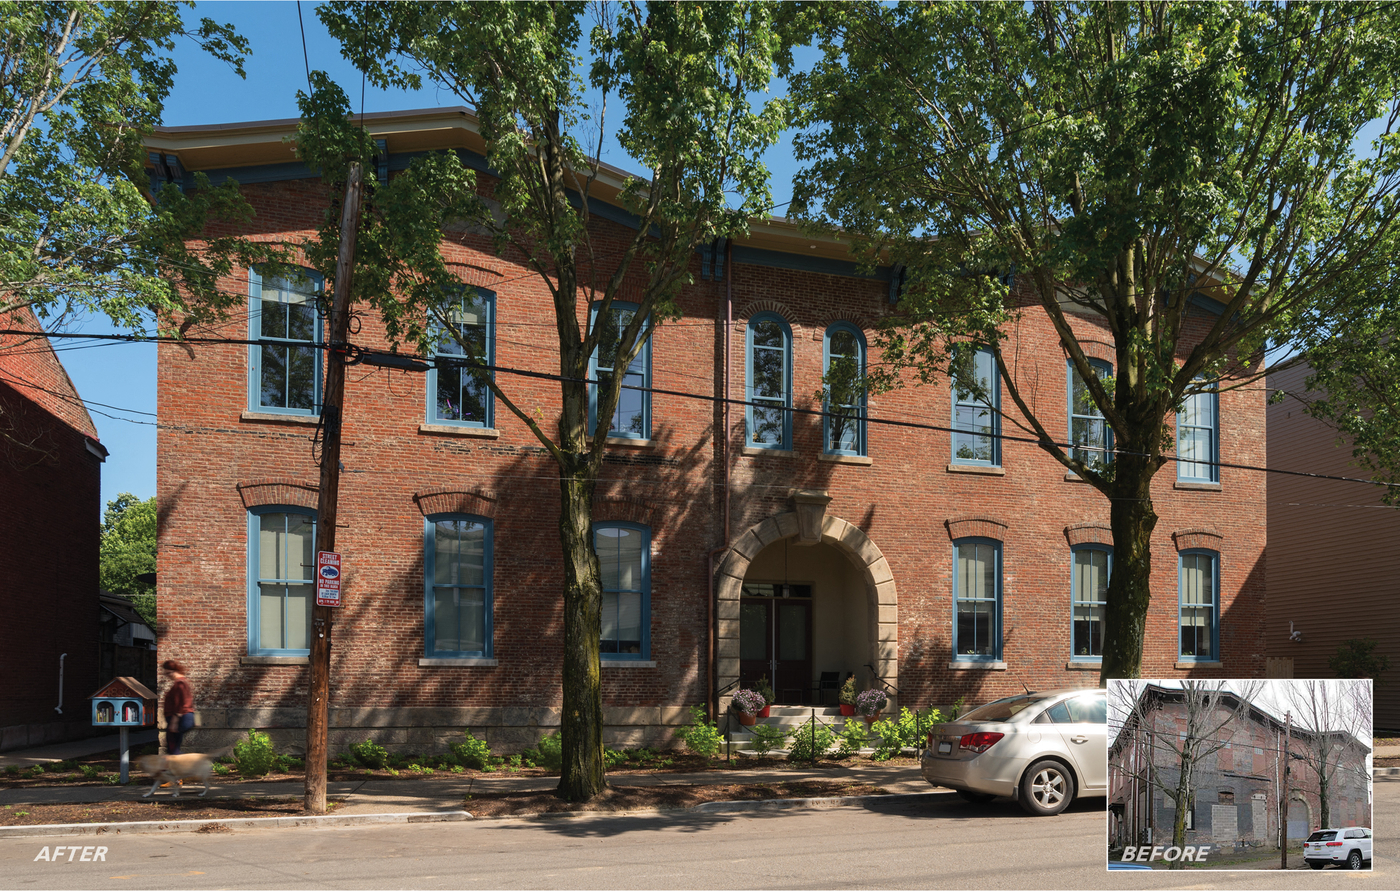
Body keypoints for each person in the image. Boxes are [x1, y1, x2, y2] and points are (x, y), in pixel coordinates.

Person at [161, 659, 195, 755]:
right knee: (173, 748)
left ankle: (189, 764)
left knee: (173, 749)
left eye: (168, 673)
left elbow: (181, 704)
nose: (167, 676)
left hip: (180, 718)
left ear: (173, 671)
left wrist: (174, 722)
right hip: (182, 718)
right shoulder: (182, 683)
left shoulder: (179, 684)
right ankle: (182, 766)